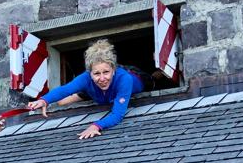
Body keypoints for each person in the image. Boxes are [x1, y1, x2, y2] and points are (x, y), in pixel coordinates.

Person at [24, 38, 154, 140]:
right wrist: (44, 100)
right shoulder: (85, 78)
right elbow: (65, 89)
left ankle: (156, 75)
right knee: (61, 102)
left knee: (154, 79)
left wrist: (96, 126)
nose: (102, 78)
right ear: (90, 73)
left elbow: (117, 114)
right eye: (96, 73)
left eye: (106, 72)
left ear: (113, 70)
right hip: (96, 92)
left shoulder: (124, 79)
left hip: (138, 81)